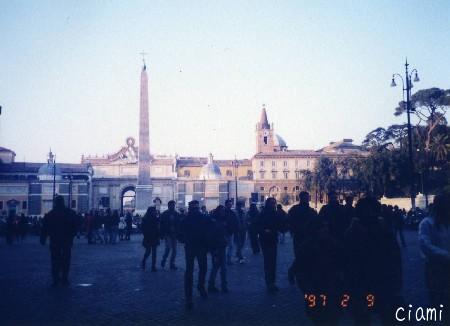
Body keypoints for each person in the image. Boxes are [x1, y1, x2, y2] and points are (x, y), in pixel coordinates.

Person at [418, 194, 449, 320]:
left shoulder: (447, 222)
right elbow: (425, 245)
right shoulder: (426, 223)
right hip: (435, 267)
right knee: (437, 298)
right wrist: (446, 255)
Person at [40, 195, 77, 286]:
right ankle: (65, 278)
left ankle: (56, 279)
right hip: (66, 240)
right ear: (63, 202)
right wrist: (72, 236)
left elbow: (45, 228)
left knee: (55, 259)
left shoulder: (50, 214)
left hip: (55, 240)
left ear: (55, 203)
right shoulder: (70, 213)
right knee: (66, 259)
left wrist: (43, 238)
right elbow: (75, 226)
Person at [180, 200, 210, 310]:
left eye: (196, 208)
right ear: (190, 209)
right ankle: (189, 296)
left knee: (202, 268)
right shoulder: (187, 220)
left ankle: (200, 287)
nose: (195, 210)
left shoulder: (201, 218)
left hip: (199, 247)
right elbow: (180, 233)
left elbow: (209, 232)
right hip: (192, 247)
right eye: (193, 208)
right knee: (190, 271)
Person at [287, 191, 317, 285]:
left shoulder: (311, 211)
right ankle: (293, 272)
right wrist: (296, 229)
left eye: (307, 197)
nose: (307, 198)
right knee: (300, 256)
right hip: (299, 236)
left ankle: (300, 274)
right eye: (305, 197)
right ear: (301, 198)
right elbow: (289, 222)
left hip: (309, 236)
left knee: (308, 256)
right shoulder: (295, 209)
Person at [257, 197, 285, 293]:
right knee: (268, 262)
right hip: (265, 240)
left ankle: (272, 282)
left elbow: (281, 225)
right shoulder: (263, 213)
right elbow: (258, 226)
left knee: (272, 262)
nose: (273, 205)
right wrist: (264, 231)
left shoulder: (275, 213)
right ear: (268, 204)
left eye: (274, 203)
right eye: (272, 203)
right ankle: (269, 283)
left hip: (273, 239)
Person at [208, 205, 230, 293]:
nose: (223, 212)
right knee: (216, 266)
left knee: (221, 267)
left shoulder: (221, 221)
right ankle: (212, 285)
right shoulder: (215, 222)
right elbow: (213, 236)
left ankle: (222, 285)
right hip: (216, 247)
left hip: (222, 246)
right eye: (222, 211)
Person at [160, 200, 181, 270]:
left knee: (174, 250)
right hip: (167, 234)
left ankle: (172, 263)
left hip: (174, 234)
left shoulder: (177, 214)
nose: (172, 206)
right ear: (168, 206)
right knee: (168, 248)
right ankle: (164, 259)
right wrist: (162, 233)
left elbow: (179, 224)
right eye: (171, 205)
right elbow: (161, 225)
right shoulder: (164, 214)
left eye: (173, 205)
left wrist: (178, 232)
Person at [141, 207, 160, 272]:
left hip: (154, 237)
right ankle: (144, 261)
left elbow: (158, 228)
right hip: (148, 237)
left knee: (154, 252)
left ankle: (153, 266)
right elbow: (143, 228)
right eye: (154, 211)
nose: (155, 212)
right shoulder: (145, 219)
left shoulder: (156, 219)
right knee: (148, 252)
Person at [224, 199, 238, 265]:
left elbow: (235, 222)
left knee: (230, 246)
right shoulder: (223, 212)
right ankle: (225, 259)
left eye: (230, 204)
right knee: (226, 246)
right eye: (229, 204)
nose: (230, 205)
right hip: (224, 232)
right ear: (226, 204)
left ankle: (228, 259)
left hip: (230, 232)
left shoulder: (232, 212)